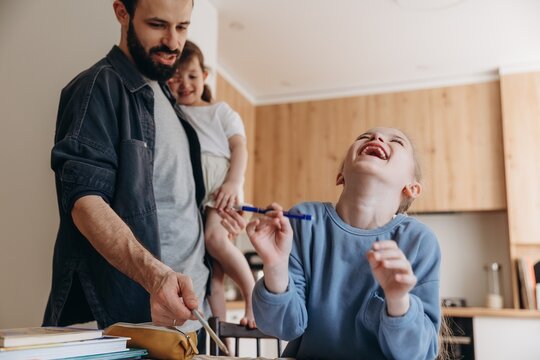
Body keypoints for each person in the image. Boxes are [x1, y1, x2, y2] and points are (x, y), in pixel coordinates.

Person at [42, 0, 247, 342]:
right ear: (122, 13)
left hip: (195, 319)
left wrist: (219, 213)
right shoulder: (98, 88)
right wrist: (156, 278)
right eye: (157, 25)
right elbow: (85, 204)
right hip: (130, 322)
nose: (172, 41)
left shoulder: (171, 101)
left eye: (182, 27)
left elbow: (175, 205)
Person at [221, 127, 441, 359]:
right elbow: (281, 328)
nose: (376, 138)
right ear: (341, 175)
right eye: (364, 137)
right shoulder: (304, 223)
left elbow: (419, 354)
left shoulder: (419, 241)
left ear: (412, 188)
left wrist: (398, 301)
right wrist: (275, 265)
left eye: (396, 141)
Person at [167, 40, 256, 328]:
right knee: (212, 276)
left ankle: (252, 295)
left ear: (204, 76)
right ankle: (223, 344)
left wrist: (233, 183)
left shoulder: (220, 112)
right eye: (176, 77)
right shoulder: (174, 113)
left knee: (215, 240)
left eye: (191, 76)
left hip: (220, 185)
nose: (184, 84)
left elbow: (240, 148)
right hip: (197, 192)